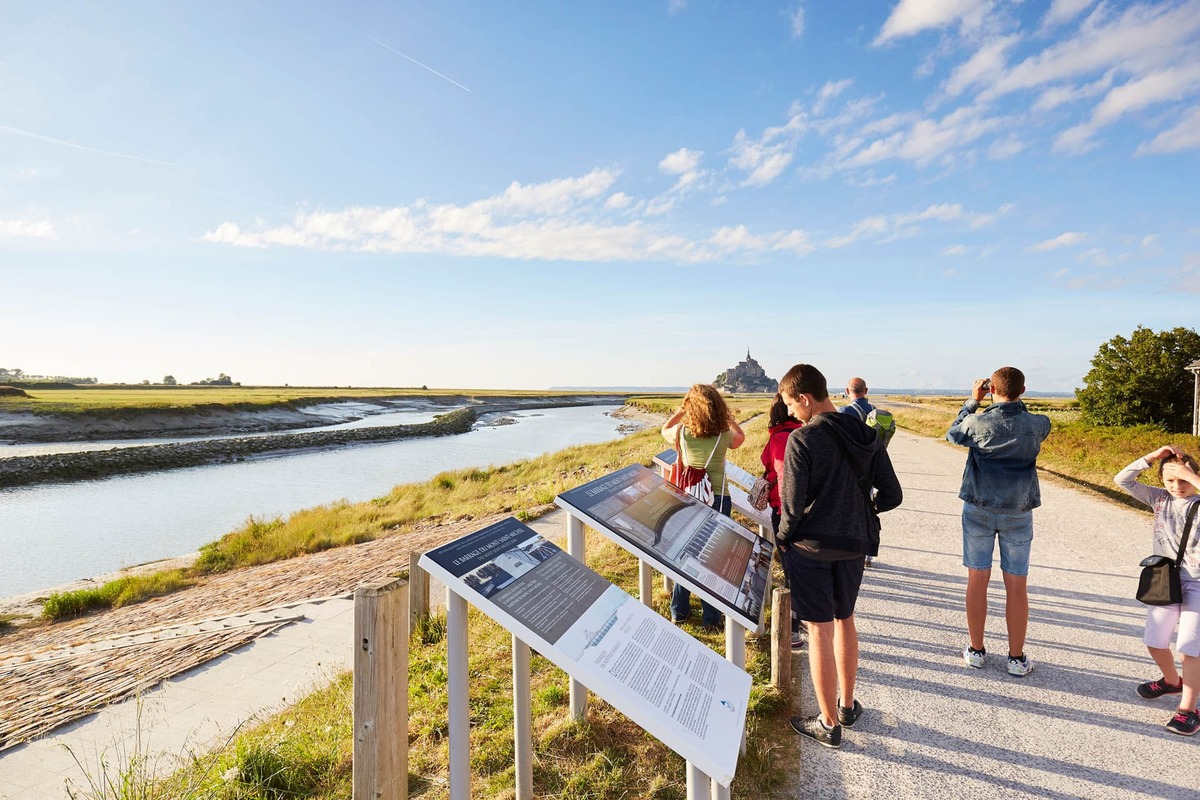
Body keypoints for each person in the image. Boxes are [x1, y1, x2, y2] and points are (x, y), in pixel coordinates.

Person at [776, 364, 902, 749]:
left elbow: (793, 509)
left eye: (791, 405)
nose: (792, 414)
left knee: (818, 630)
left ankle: (828, 724)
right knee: (845, 619)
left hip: (811, 549)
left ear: (805, 398)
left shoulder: (803, 440)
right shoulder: (867, 433)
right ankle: (847, 706)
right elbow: (893, 494)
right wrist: (859, 510)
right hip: (853, 546)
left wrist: (780, 542)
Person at [946, 366, 1051, 677]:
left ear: (991, 388)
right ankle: (1016, 658)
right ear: (1024, 389)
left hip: (978, 507)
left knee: (977, 580)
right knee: (1016, 586)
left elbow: (953, 434)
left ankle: (976, 650)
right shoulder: (1039, 424)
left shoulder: (977, 422)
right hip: (1019, 511)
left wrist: (972, 401)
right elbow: (1029, 422)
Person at [1114, 445, 1200, 735]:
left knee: (1189, 647)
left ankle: (1188, 710)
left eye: (1183, 480)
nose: (1177, 486)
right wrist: (1152, 457)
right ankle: (1171, 681)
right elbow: (1122, 480)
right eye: (1170, 480)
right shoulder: (1159, 499)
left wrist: (1190, 475)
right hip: (1166, 578)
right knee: (1155, 640)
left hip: (1198, 584)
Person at [661, 384, 745, 629]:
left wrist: (681, 409)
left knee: (685, 552)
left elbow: (664, 428)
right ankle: (711, 617)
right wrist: (728, 418)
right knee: (712, 558)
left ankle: (679, 610)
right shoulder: (723, 434)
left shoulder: (681, 432)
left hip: (687, 497)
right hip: (718, 497)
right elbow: (740, 439)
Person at [760, 393, 804, 648]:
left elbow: (771, 466)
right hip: (806, 511)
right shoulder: (804, 432)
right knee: (802, 566)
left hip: (783, 509)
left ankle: (793, 629)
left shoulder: (777, 438)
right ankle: (806, 615)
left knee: (790, 569)